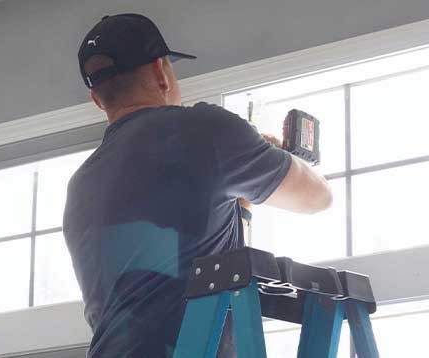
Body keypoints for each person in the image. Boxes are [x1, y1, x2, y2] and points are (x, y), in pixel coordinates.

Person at [63, 13, 333, 358]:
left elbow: (198, 263)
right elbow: (317, 198)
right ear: (161, 72)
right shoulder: (202, 130)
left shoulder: (81, 182)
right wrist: (282, 157)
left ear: (98, 100)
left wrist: (241, 204)